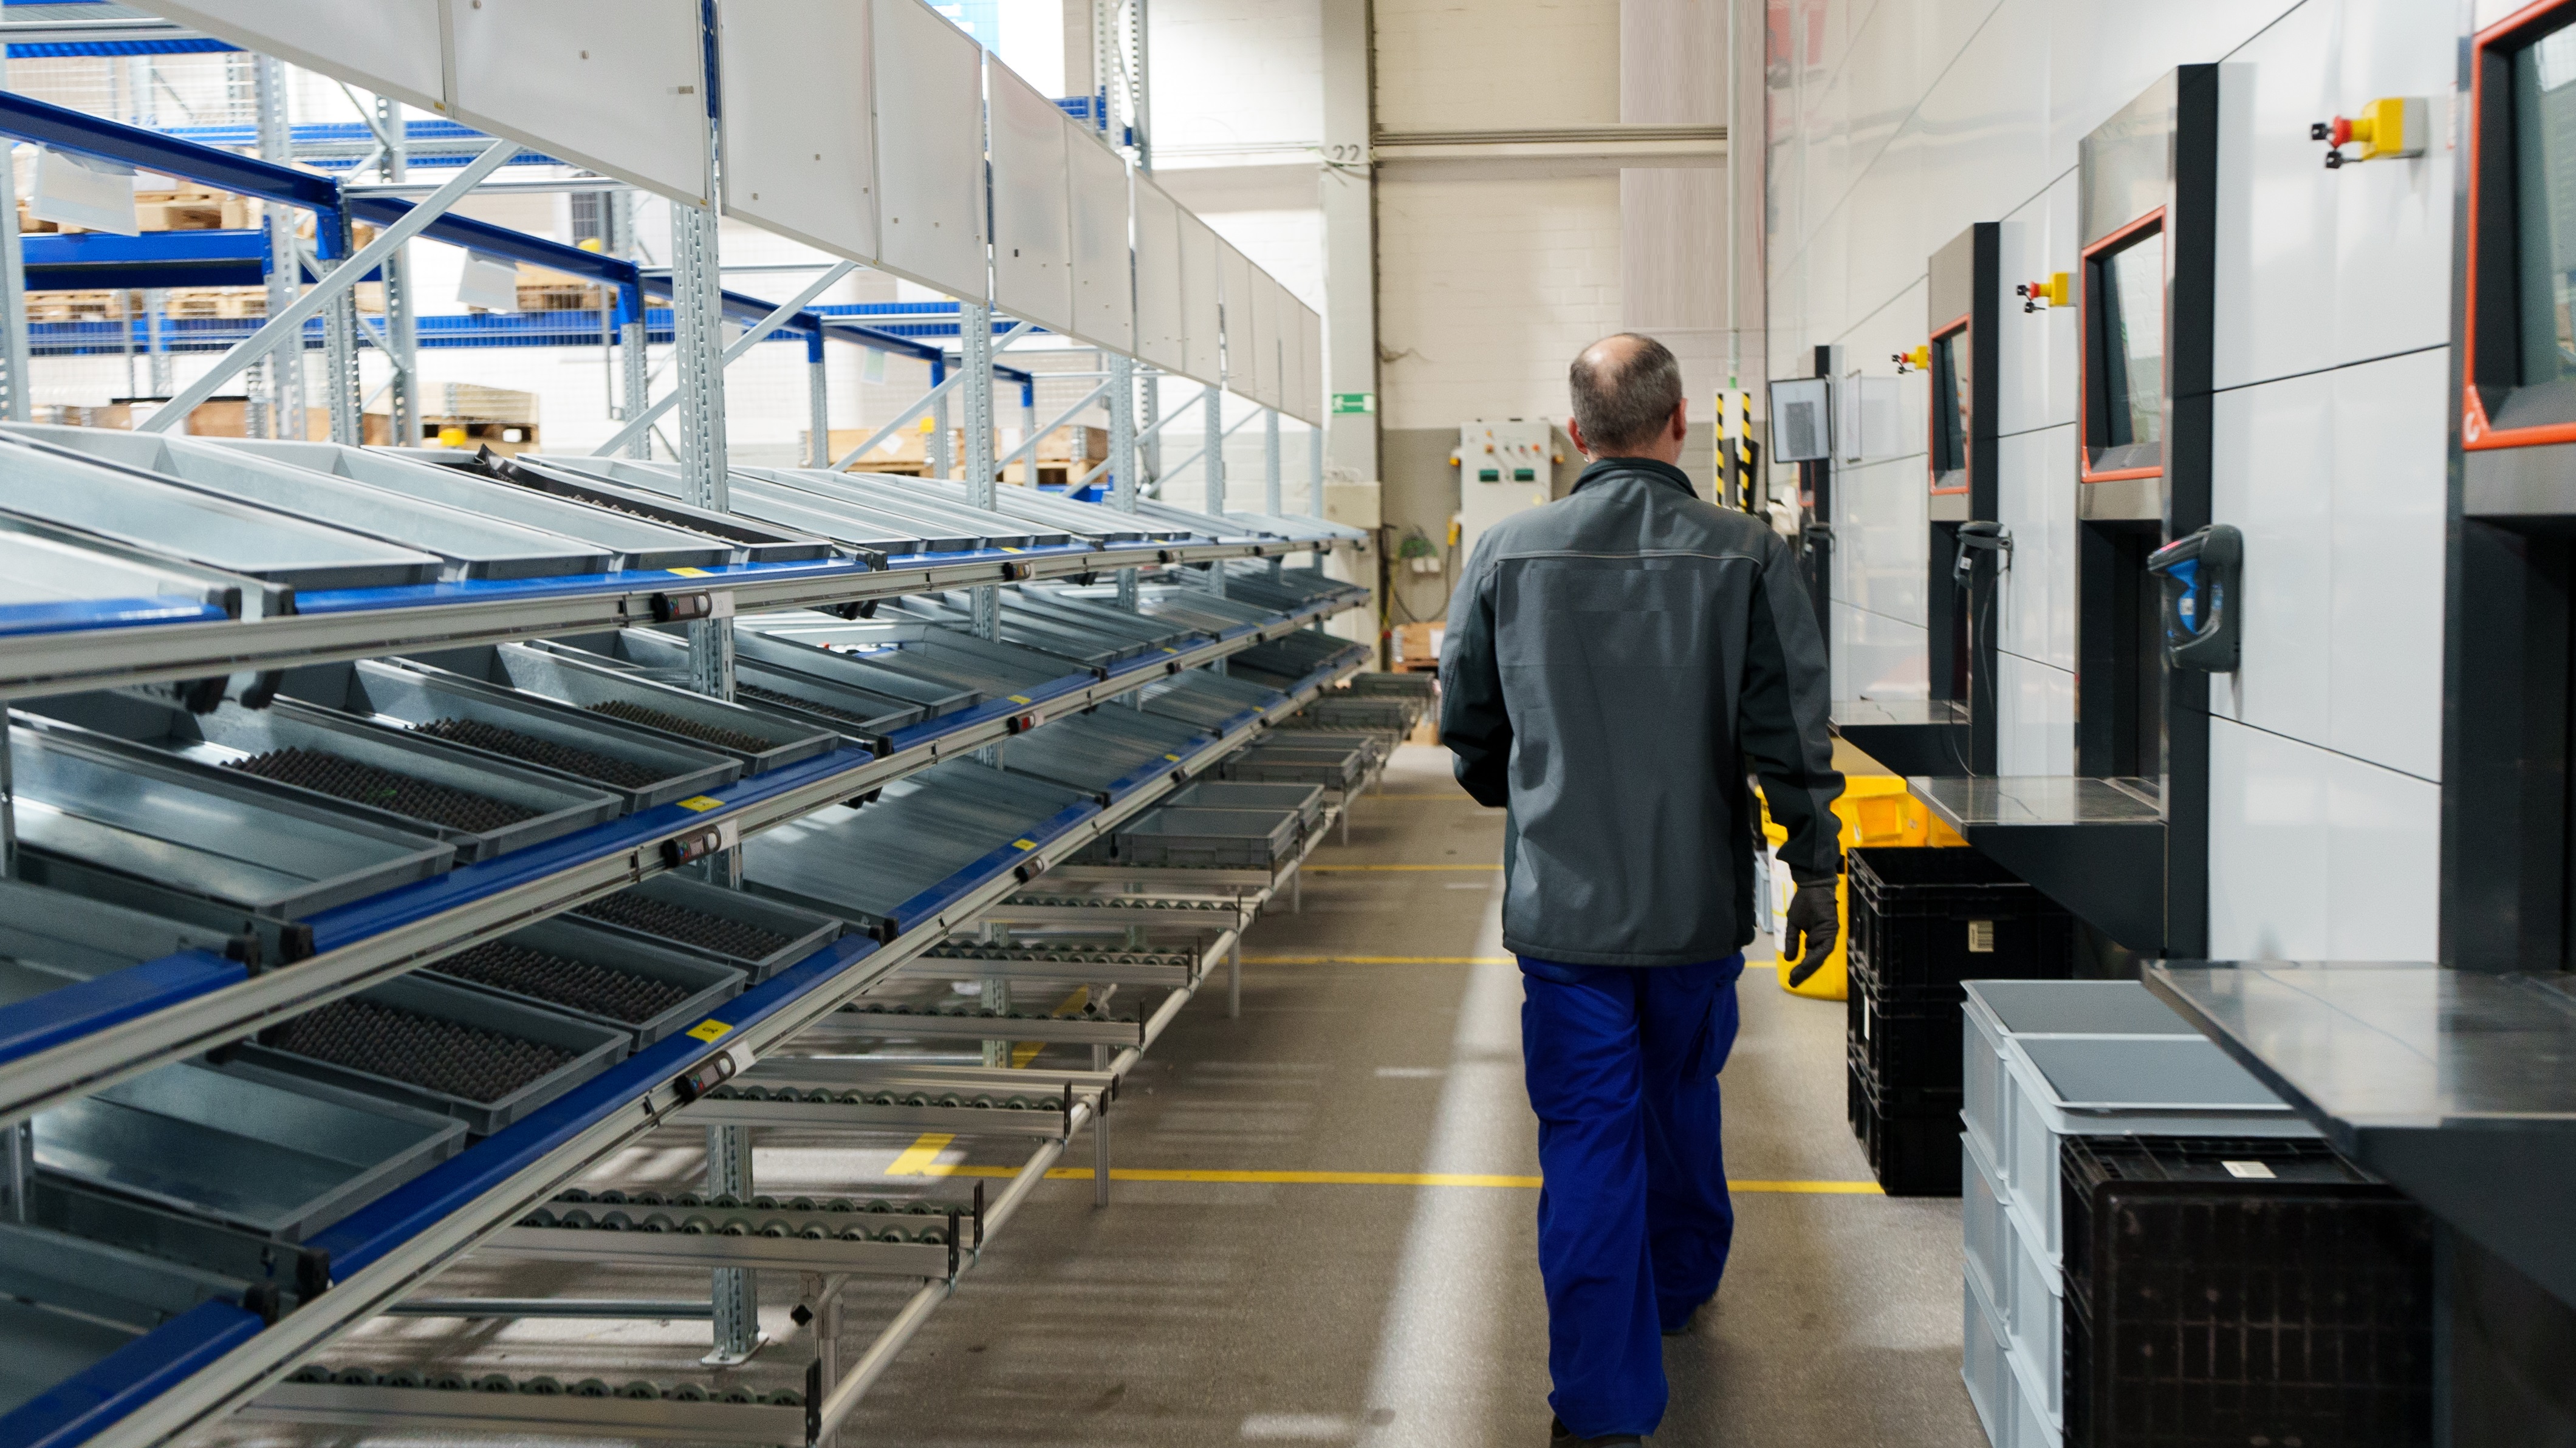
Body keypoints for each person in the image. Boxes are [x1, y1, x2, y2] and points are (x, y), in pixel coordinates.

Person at [1439, 333, 1845, 1447]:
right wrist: (1816, 871)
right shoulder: (1749, 555)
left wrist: (1527, 796)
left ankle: (1605, 1407)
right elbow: (1792, 741)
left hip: (1563, 917)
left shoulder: (1507, 551)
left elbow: (1466, 727)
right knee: (1678, 1097)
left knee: (1587, 1141)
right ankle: (1678, 1284)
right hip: (1695, 912)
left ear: (1576, 436)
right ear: (1682, 426)